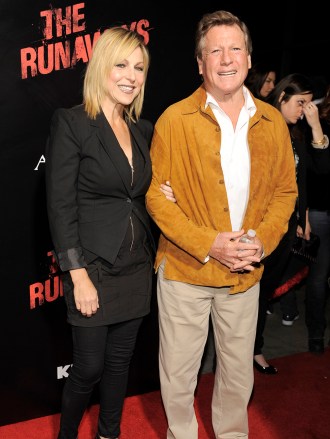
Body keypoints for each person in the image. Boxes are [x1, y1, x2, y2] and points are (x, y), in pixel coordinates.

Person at [146, 10, 298, 439]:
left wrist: (261, 242)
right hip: (184, 272)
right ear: (200, 63)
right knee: (178, 377)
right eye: (215, 50)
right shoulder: (174, 120)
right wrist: (210, 243)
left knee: (237, 376)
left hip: (245, 277)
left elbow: (286, 193)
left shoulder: (272, 125)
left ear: (249, 59)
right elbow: (157, 196)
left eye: (235, 48)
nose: (226, 58)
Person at [45, 27, 174, 439]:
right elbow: (60, 205)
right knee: (89, 368)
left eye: (139, 67)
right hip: (94, 267)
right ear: (101, 66)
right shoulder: (73, 122)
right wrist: (76, 275)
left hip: (136, 265)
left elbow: (137, 193)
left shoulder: (143, 129)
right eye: (121, 64)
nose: (131, 75)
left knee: (121, 363)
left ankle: (109, 434)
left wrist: (161, 191)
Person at [253, 73, 329, 374]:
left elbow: (317, 173)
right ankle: (249, 351)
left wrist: (304, 216)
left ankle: (253, 349)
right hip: (263, 227)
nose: (304, 110)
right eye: (300, 103)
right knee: (254, 294)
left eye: (309, 105)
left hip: (288, 227)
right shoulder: (262, 128)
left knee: (263, 291)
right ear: (281, 98)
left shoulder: (297, 136)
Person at [305, 84, 330, 354]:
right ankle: (315, 333)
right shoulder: (318, 119)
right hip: (322, 211)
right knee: (318, 277)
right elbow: (321, 169)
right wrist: (315, 125)